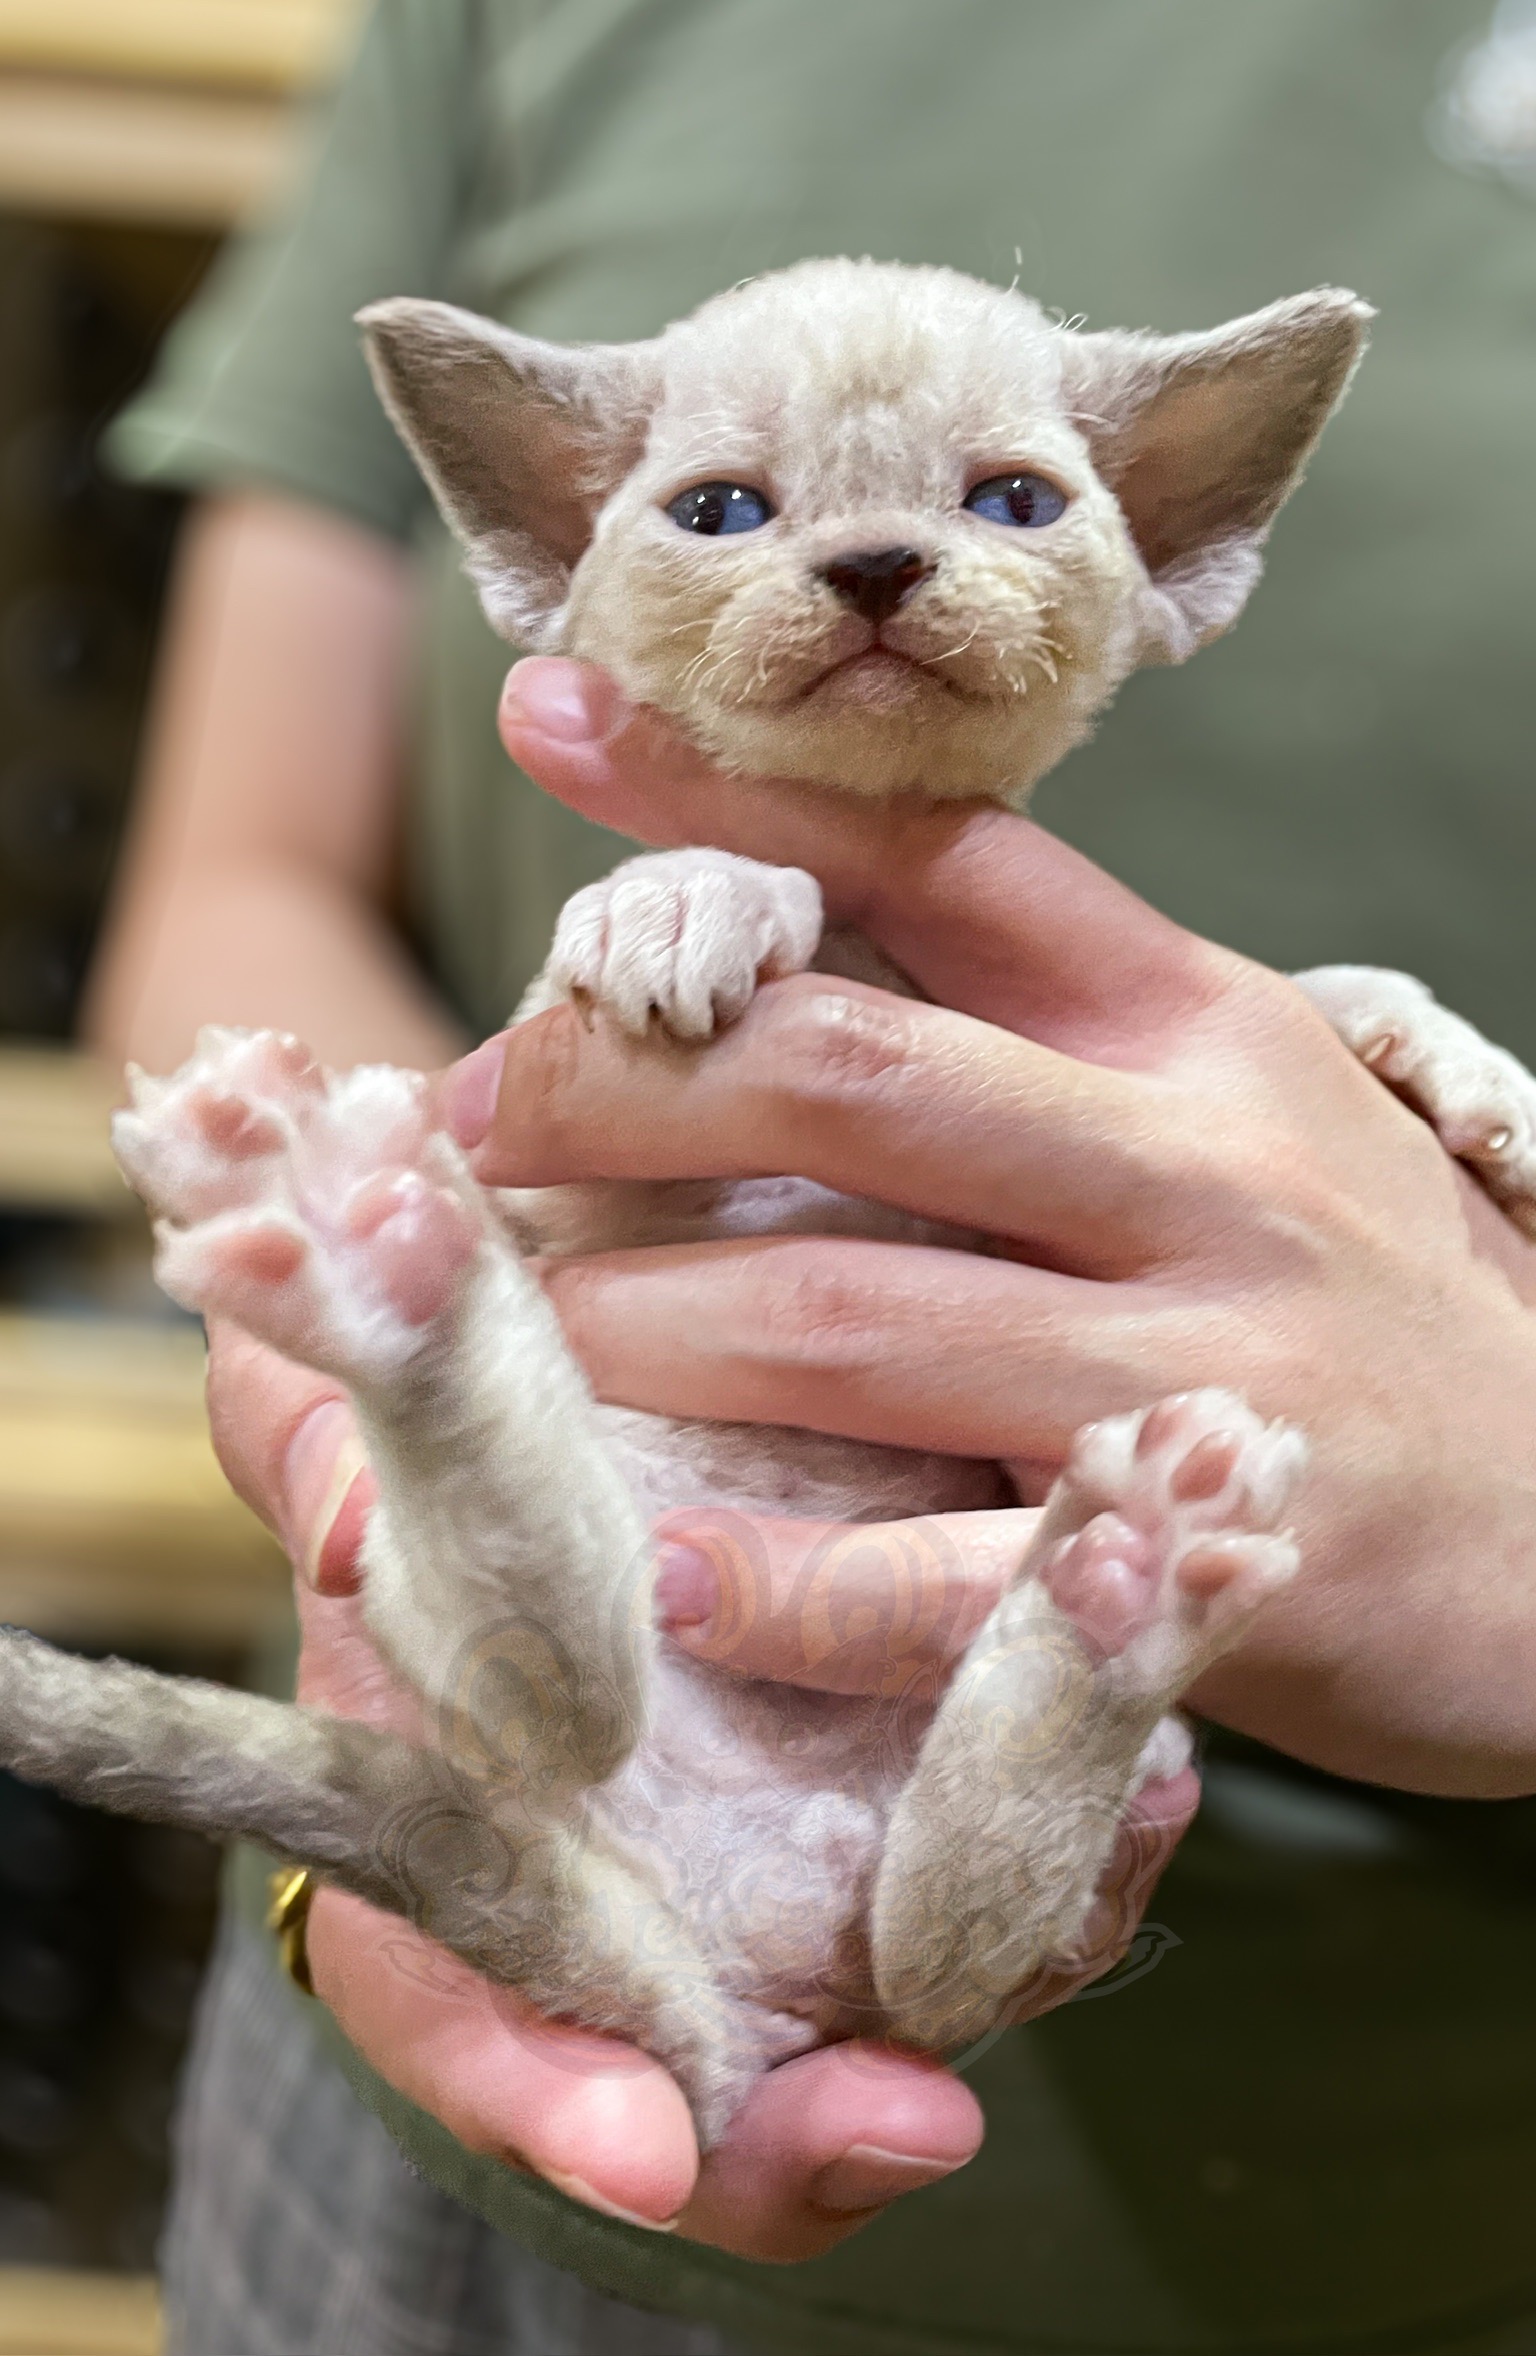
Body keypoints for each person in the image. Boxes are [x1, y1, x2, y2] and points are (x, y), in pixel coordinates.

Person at [83, 1, 1536, 2349]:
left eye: (1013, 499)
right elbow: (239, 875)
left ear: (1180, 535)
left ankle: (1070, 1652)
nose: (870, 567)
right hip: (451, 1956)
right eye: (727, 509)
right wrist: (370, 1331)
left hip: (1419, 2144)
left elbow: (1269, 1079)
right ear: (545, 532)